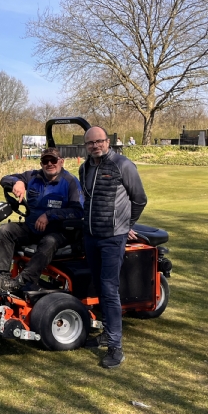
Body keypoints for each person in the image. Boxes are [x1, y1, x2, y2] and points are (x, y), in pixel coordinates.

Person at [79, 126, 147, 369]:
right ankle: (107, 333)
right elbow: (87, 198)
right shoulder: (84, 167)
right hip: (91, 235)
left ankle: (116, 348)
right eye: (90, 143)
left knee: (109, 288)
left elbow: (139, 199)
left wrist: (126, 224)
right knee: (98, 285)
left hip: (112, 237)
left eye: (99, 141)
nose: (95, 146)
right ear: (85, 146)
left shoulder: (122, 165)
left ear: (108, 142)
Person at [0, 147, 84, 293]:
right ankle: (2, 276)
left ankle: (24, 281)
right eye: (46, 161)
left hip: (59, 232)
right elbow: (4, 179)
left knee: (49, 241)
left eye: (53, 160)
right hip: (32, 228)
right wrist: (17, 182)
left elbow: (78, 211)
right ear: (41, 164)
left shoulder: (70, 182)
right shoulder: (32, 177)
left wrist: (50, 215)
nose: (49, 164)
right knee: (6, 230)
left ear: (61, 162)